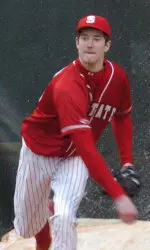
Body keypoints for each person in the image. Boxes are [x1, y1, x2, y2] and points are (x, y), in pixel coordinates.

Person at [13, 14, 140, 250]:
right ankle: (42, 231)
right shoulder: (67, 85)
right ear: (76, 43)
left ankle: (54, 214)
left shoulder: (117, 77)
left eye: (96, 38)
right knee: (26, 227)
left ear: (108, 45)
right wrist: (118, 195)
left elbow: (122, 118)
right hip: (39, 151)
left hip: (73, 159)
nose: (90, 43)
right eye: (84, 38)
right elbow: (85, 145)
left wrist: (127, 163)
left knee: (64, 216)